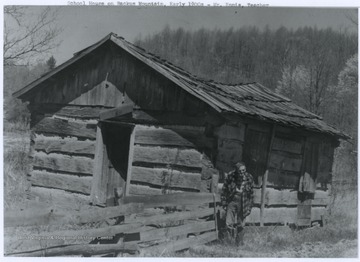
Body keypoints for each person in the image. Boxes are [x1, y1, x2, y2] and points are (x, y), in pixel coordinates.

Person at [221, 162, 254, 244]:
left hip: (243, 202)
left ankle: (239, 243)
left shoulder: (249, 177)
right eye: (240, 171)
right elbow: (224, 190)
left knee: (241, 224)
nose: (242, 172)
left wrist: (249, 207)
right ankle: (229, 242)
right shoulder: (230, 176)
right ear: (236, 170)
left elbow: (251, 194)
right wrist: (224, 203)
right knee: (229, 223)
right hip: (232, 200)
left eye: (244, 170)